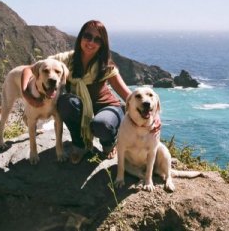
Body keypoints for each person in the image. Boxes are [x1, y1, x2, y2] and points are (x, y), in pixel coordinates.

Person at [21, 20, 159, 164]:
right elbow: (27, 69)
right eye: (87, 36)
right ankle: (80, 145)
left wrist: (154, 116)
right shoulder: (66, 60)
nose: (91, 42)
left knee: (102, 125)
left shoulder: (106, 67)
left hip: (108, 107)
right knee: (65, 103)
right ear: (80, 37)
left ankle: (109, 143)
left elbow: (129, 96)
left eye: (97, 39)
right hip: (79, 108)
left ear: (102, 44)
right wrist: (26, 95)